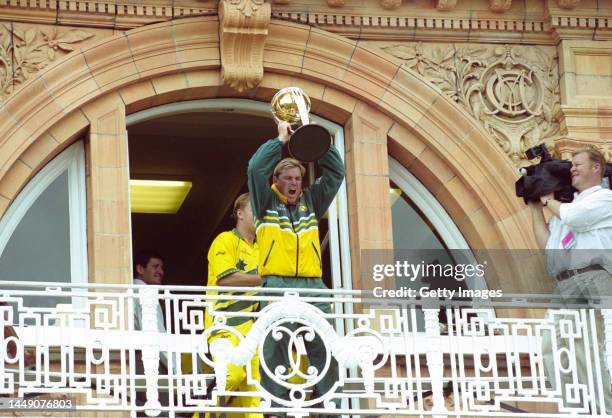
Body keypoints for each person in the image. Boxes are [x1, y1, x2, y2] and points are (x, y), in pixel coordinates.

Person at [247, 121, 345, 417]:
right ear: (276, 181)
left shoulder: (312, 202)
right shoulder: (264, 202)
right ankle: (274, 411)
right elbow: (255, 169)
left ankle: (331, 408)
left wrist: (314, 141)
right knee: (274, 348)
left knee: (325, 347)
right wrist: (279, 141)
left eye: (297, 178)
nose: (293, 183)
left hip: (314, 285)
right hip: (277, 284)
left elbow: (336, 173)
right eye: (287, 178)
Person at [528, 146, 612, 413]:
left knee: (599, 342)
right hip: (566, 283)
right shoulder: (566, 207)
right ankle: (576, 408)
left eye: (577, 164)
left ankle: (607, 407)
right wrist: (534, 205)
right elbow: (549, 247)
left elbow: (575, 218)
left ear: (596, 168)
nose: (572, 168)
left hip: (594, 275)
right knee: (552, 345)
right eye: (571, 164)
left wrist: (546, 200)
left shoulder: (604, 198)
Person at [203, 192, 261, 418]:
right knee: (229, 376)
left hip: (254, 329)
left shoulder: (263, 247)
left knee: (253, 392)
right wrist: (265, 278)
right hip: (225, 323)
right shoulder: (225, 240)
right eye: (254, 210)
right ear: (239, 213)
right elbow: (225, 278)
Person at [133, 249, 174, 416]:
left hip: (137, 363)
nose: (161, 272)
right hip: (150, 362)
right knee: (159, 411)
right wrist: (175, 369)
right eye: (155, 266)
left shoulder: (132, 290)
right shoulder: (145, 294)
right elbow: (157, 335)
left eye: (161, 267)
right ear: (140, 269)